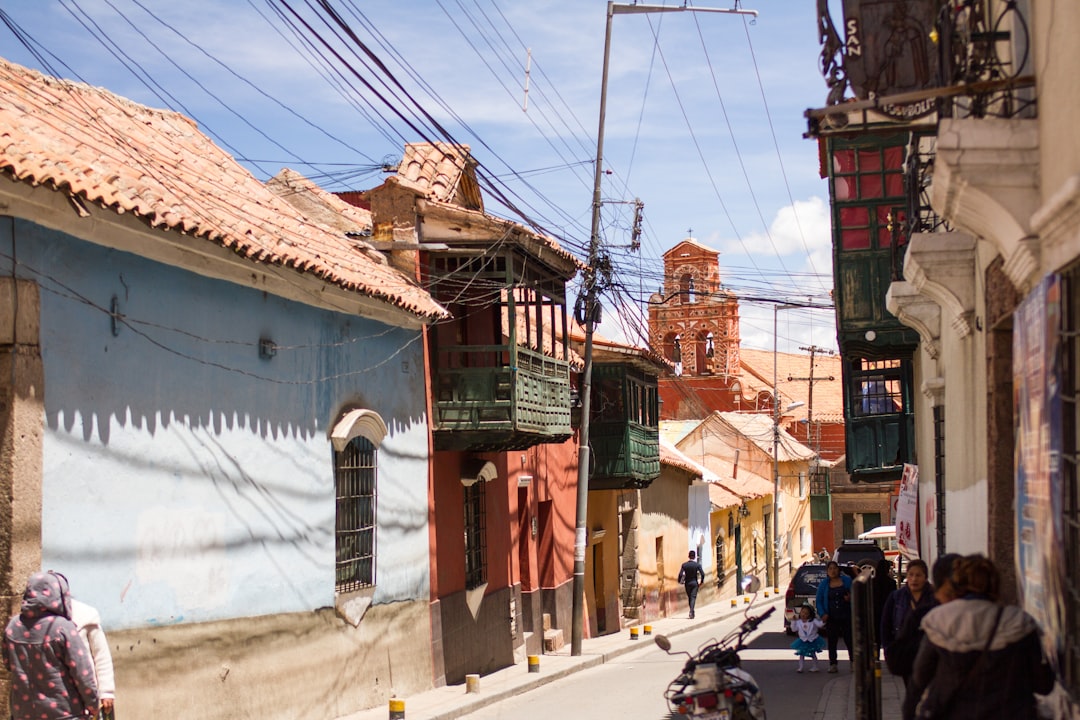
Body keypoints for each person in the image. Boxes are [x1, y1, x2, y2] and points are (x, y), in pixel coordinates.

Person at [903, 554, 1054, 720]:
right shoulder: (1019, 623)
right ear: (994, 584)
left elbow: (919, 678)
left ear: (958, 584)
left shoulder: (938, 622)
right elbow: (1043, 684)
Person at [2, 571, 99, 720]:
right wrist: (93, 704)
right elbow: (82, 672)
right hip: (64, 713)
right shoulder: (63, 628)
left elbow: (8, 664)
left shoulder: (13, 626)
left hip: (23, 712)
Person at [880, 558, 937, 685]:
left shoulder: (934, 597)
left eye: (918, 575)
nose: (914, 579)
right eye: (911, 575)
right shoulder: (897, 597)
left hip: (929, 651)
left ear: (925, 577)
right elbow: (886, 625)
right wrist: (889, 649)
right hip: (905, 652)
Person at [71, 598, 116, 719]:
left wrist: (106, 691)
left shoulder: (84, 615)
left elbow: (101, 655)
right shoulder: (42, 623)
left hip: (92, 696)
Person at [815, 560, 853, 673]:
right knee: (832, 641)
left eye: (835, 568)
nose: (833, 571)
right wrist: (822, 613)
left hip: (846, 615)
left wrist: (850, 599)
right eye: (830, 569)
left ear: (838, 570)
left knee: (849, 640)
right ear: (827, 571)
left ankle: (853, 662)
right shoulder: (824, 584)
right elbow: (819, 600)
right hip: (831, 617)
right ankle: (833, 664)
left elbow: (856, 593)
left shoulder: (846, 581)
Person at [790, 604, 826, 673]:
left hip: (812, 640)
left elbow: (819, 625)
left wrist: (823, 621)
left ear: (810, 615)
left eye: (806, 613)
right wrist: (793, 622)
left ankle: (815, 666)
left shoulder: (813, 621)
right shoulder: (798, 622)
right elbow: (793, 629)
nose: (804, 614)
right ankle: (800, 667)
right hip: (803, 640)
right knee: (801, 654)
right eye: (802, 612)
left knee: (813, 653)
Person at [677, 551, 705, 619]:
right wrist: (701, 581)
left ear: (688, 556)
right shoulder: (697, 565)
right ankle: (691, 611)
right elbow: (702, 574)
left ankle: (692, 611)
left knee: (690, 597)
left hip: (687, 583)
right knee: (693, 597)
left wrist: (679, 581)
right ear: (694, 556)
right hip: (694, 583)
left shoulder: (684, 565)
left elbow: (680, 574)